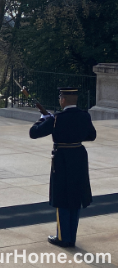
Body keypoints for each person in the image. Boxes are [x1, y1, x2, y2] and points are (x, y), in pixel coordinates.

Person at [29, 86, 97, 248]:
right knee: (75, 195)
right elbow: (91, 136)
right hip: (79, 156)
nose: (60, 100)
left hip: (62, 159)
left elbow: (34, 133)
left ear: (63, 100)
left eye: (60, 98)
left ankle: (62, 237)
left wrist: (42, 119)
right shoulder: (84, 116)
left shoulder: (57, 118)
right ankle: (71, 237)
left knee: (62, 197)